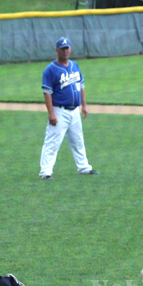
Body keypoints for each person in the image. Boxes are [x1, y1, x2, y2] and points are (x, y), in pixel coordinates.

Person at [38, 36, 99, 180]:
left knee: (78, 141)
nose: (65, 51)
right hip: (59, 111)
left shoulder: (74, 65)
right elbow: (47, 92)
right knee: (52, 142)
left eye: (67, 48)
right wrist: (51, 113)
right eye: (62, 49)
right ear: (57, 50)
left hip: (74, 111)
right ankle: (45, 172)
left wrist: (84, 106)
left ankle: (84, 167)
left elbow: (81, 86)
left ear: (70, 49)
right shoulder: (50, 70)